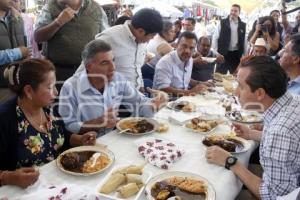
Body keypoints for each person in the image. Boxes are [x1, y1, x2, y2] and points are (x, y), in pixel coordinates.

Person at [206, 56, 300, 199]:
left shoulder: (280, 132)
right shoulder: (292, 100)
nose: (235, 92)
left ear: (260, 93)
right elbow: (288, 145)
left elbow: (275, 196)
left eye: (241, 86)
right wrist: (251, 134)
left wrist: (230, 162)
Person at [0, 58, 96, 188]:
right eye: (50, 87)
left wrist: (80, 139)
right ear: (28, 91)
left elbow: (59, 136)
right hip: (23, 191)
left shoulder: (48, 107)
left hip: (58, 183)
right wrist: (9, 178)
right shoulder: (5, 119)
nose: (56, 92)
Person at [59, 39, 168, 136]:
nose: (113, 67)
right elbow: (68, 126)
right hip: (86, 145)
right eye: (105, 63)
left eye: (113, 60)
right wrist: (98, 123)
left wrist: (154, 103)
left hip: (113, 137)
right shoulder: (70, 87)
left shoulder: (118, 79)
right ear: (89, 66)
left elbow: (139, 104)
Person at [82, 8, 163, 91]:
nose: (152, 39)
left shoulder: (142, 41)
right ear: (140, 31)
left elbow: (136, 67)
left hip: (133, 96)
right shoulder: (109, 38)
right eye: (152, 35)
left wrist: (140, 85)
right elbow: (84, 69)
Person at [34, 0, 108, 84]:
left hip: (88, 72)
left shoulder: (96, 9)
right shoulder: (50, 7)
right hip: (58, 72)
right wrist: (58, 22)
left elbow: (105, 39)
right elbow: (37, 37)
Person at [153, 31, 207, 97]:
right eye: (184, 46)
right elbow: (163, 88)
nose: (187, 51)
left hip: (183, 99)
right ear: (176, 45)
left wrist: (200, 83)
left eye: (191, 48)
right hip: (165, 102)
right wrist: (190, 92)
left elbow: (184, 79)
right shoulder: (165, 62)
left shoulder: (189, 59)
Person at [0, 0, 30, 101]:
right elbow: (22, 51)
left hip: (18, 85)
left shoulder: (17, 18)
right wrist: (18, 53)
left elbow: (26, 48)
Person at [212, 4, 246, 74]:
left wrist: (244, 55)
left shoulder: (243, 25)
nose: (233, 12)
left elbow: (245, 41)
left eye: (235, 11)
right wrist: (216, 52)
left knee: (235, 75)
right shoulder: (222, 22)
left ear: (239, 13)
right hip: (223, 54)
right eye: (232, 10)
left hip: (236, 55)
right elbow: (215, 37)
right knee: (219, 76)